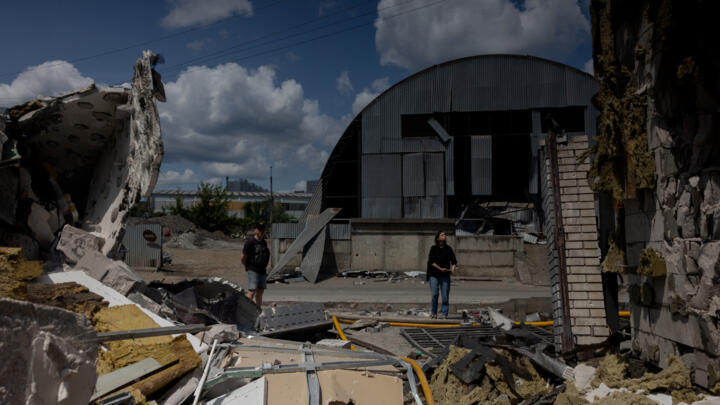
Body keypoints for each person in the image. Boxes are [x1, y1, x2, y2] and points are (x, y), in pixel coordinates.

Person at [427, 231, 457, 319]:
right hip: (434, 274)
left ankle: (444, 314)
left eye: (445, 235)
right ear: (438, 238)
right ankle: (434, 313)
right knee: (435, 294)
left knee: (445, 296)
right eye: (442, 235)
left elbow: (454, 261)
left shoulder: (448, 249)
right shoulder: (433, 248)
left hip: (445, 275)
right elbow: (431, 262)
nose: (444, 236)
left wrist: (452, 269)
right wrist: (440, 269)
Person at [242, 223, 271, 306]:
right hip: (252, 270)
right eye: (259, 229)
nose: (261, 231)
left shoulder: (264, 242)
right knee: (252, 291)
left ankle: (258, 310)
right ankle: (245, 310)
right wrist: (248, 267)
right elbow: (243, 257)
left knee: (260, 291)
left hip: (262, 271)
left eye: (262, 229)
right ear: (255, 230)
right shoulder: (250, 242)